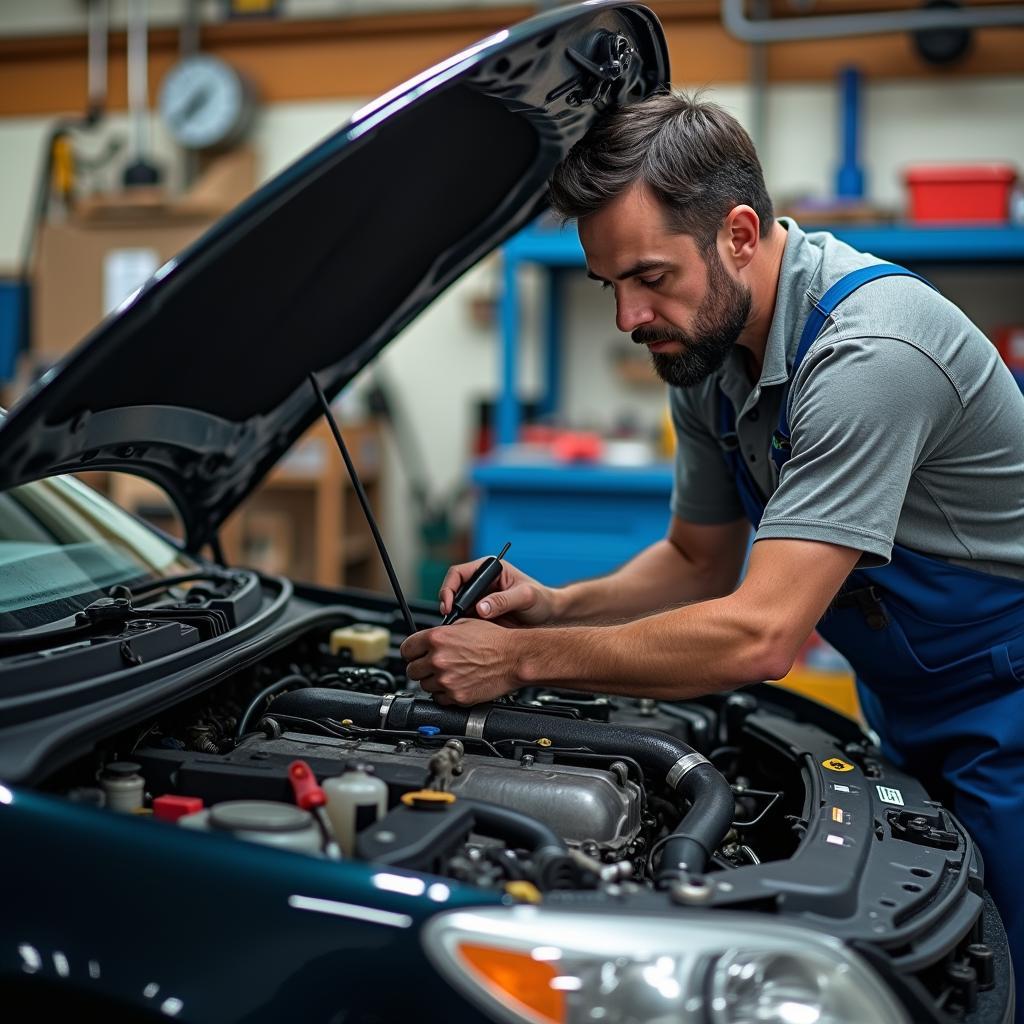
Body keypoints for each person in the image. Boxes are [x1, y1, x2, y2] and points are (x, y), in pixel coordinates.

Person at [400, 92, 1024, 991]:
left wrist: (523, 661)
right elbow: (698, 561)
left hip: (1008, 705)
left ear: (738, 233)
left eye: (651, 277)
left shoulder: (871, 356)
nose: (628, 318)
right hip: (910, 700)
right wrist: (550, 606)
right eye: (609, 285)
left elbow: (761, 635)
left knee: (991, 969)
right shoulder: (708, 361)